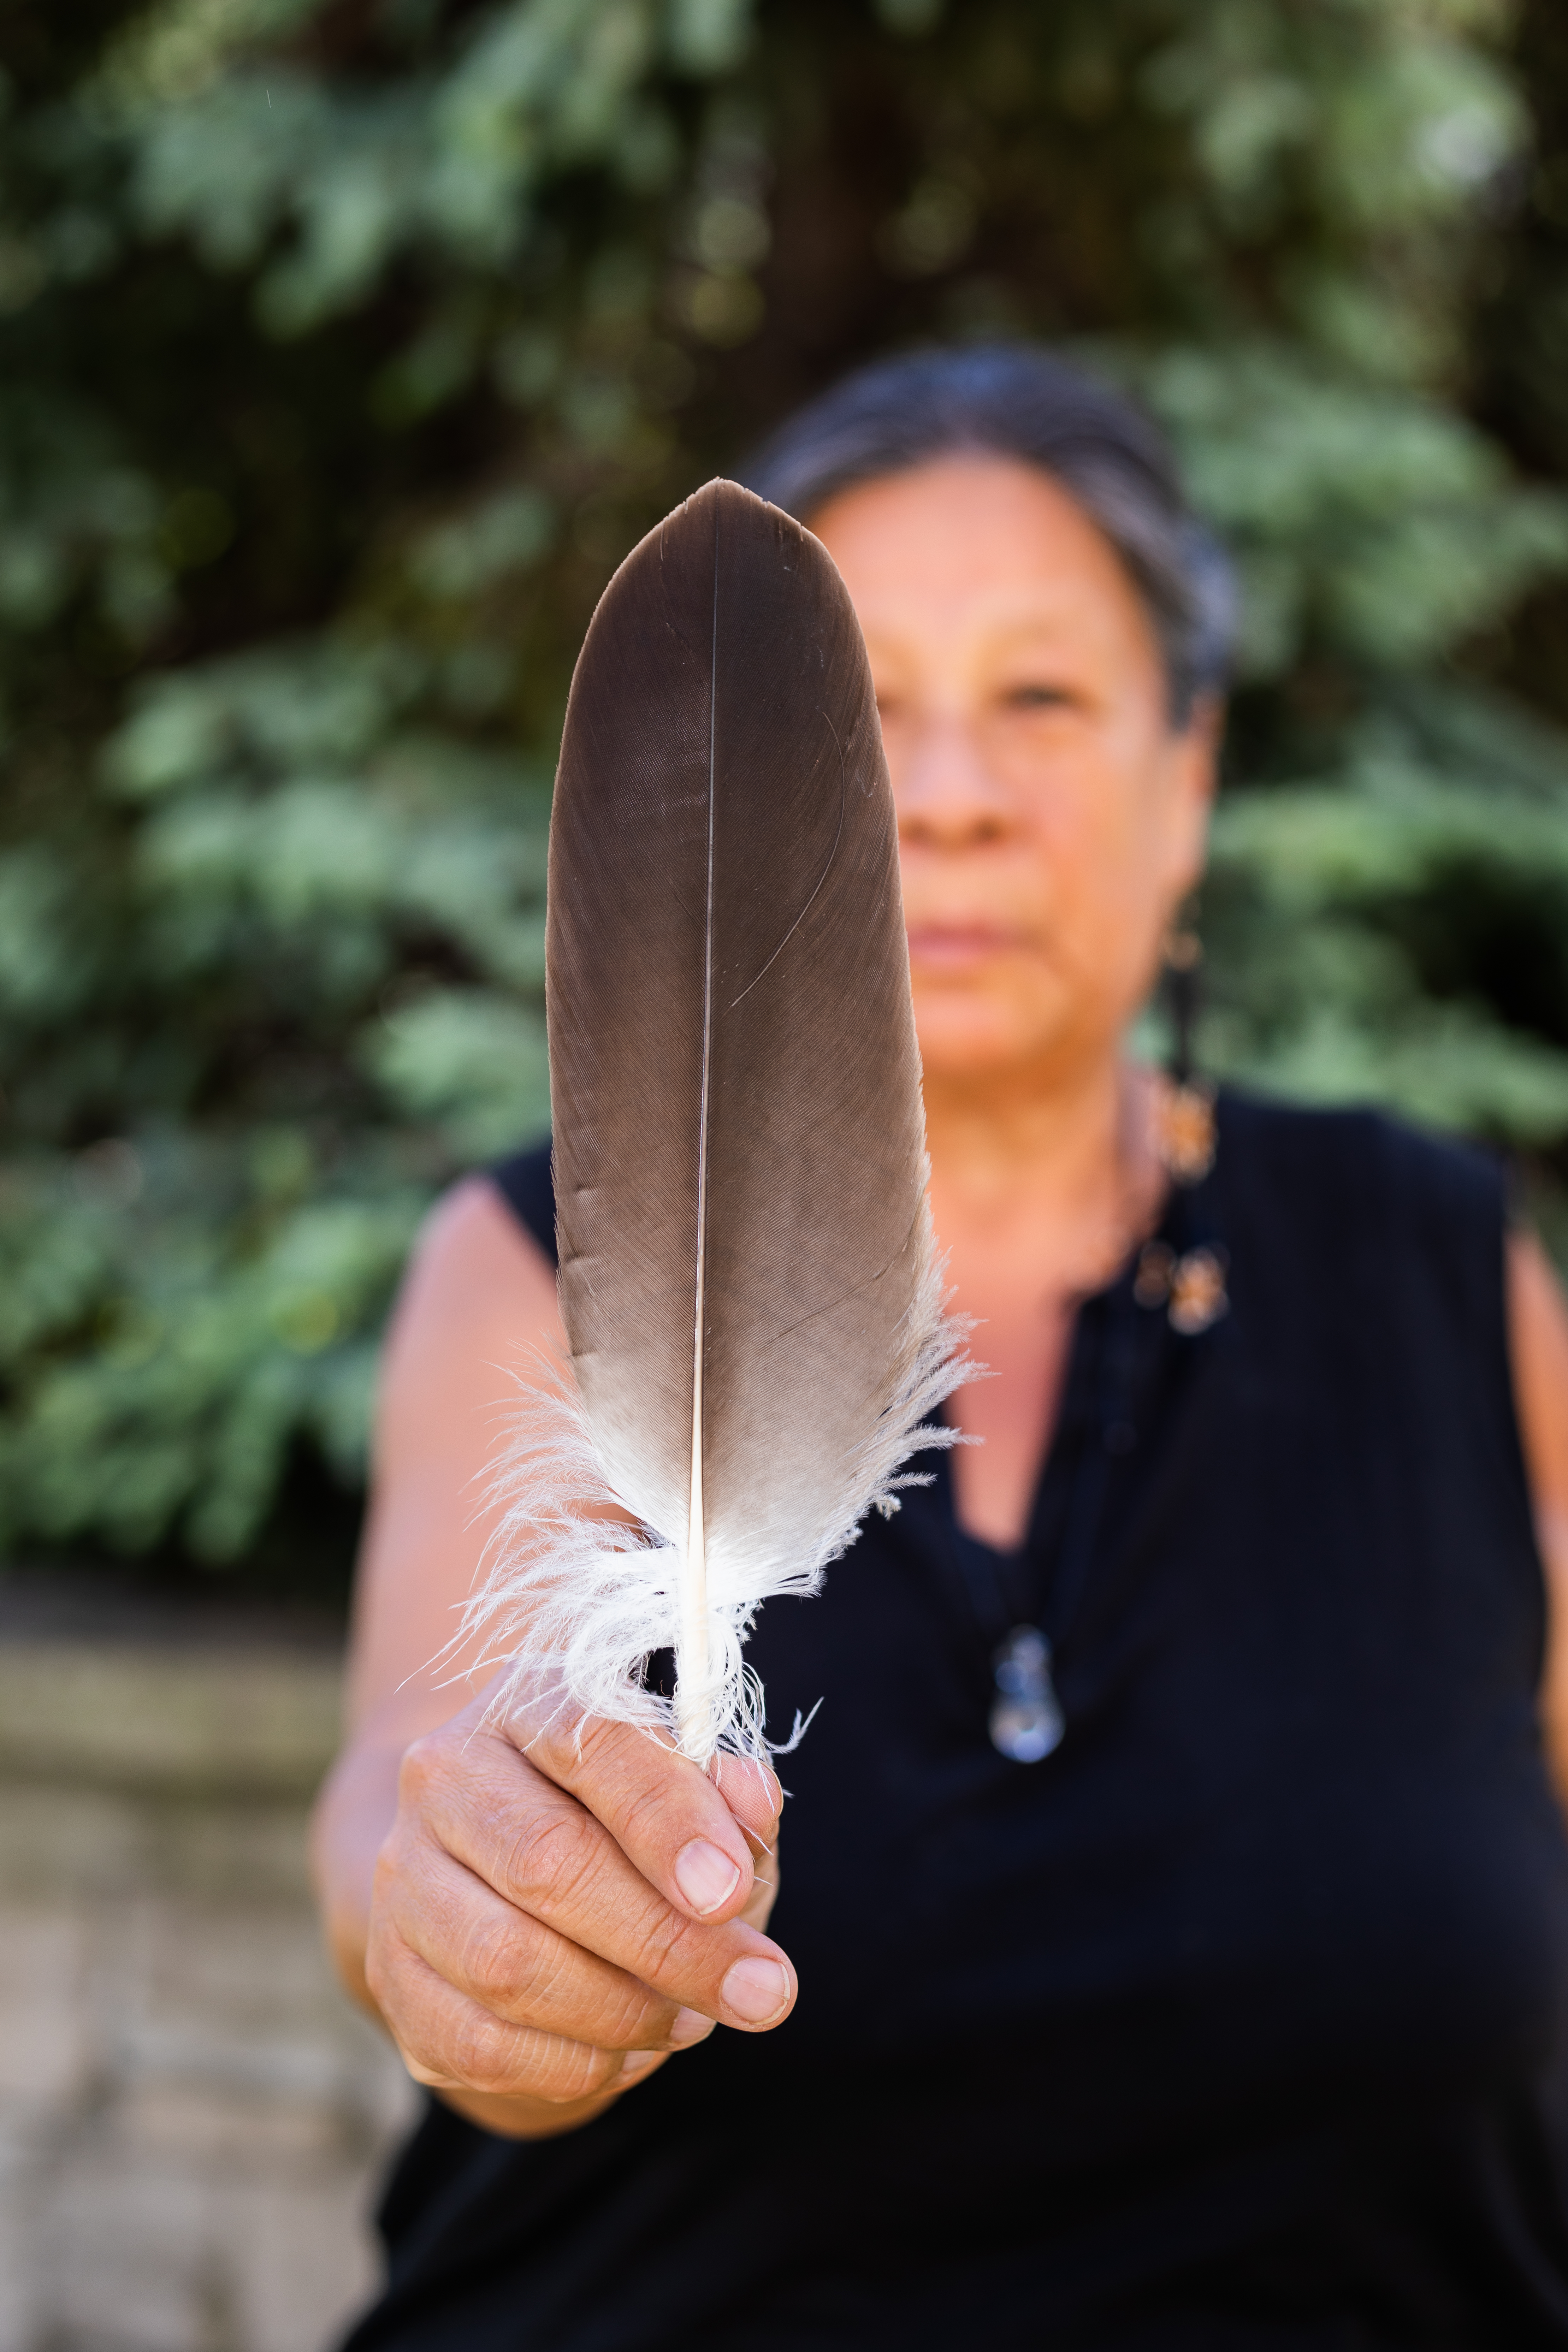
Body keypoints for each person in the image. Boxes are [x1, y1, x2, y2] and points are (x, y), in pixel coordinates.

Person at [313, 346, 1568, 2348]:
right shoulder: (542, 1259)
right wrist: (466, 1916)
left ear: (1187, 783)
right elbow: (394, 1792)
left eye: (1043, 699)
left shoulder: (1439, 1265)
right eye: (874, 707)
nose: (958, 794)